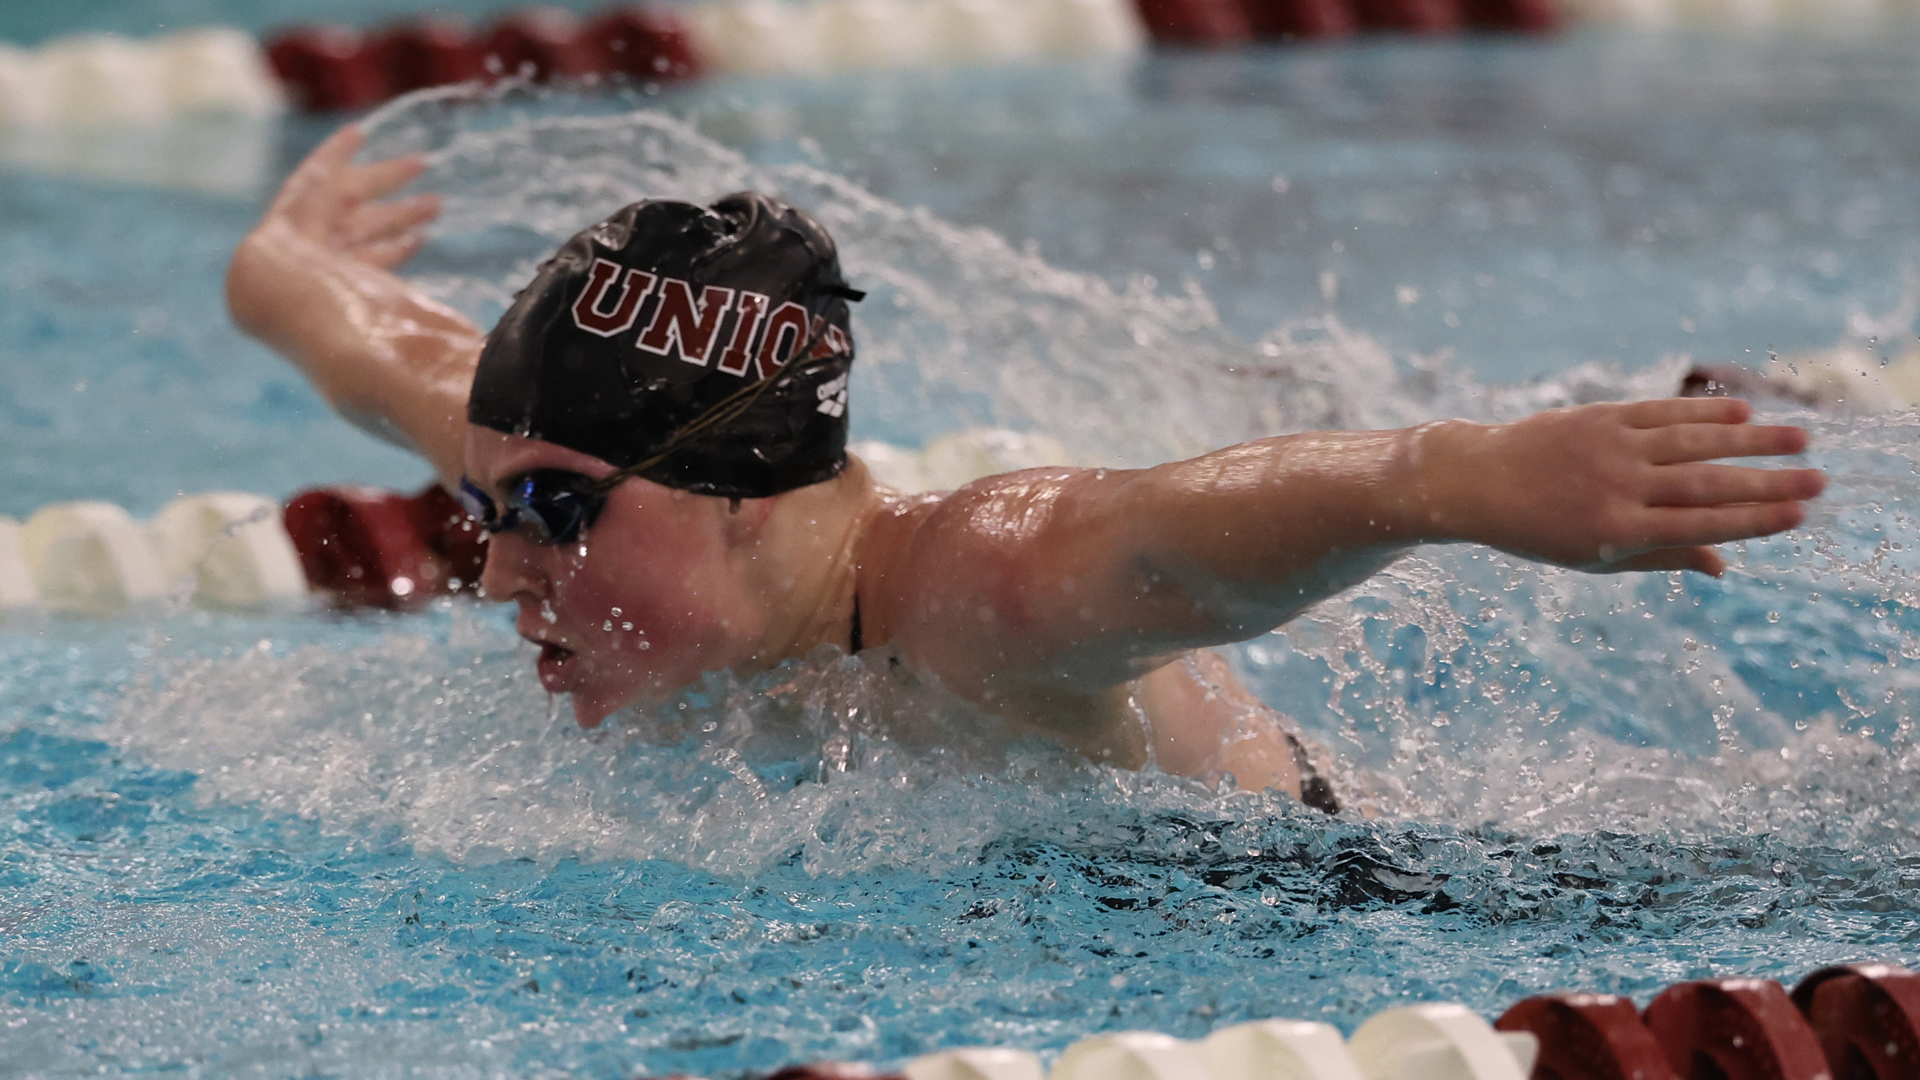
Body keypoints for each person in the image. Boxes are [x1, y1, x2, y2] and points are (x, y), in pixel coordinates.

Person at [228, 126, 1826, 813]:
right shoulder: (563, 448)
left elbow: (1168, 534)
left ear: (748, 486)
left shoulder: (974, 591)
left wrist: (1456, 475)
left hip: (1351, 900)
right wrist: (284, 258)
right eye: (487, 511)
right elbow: (364, 341)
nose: (495, 570)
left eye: (553, 519)